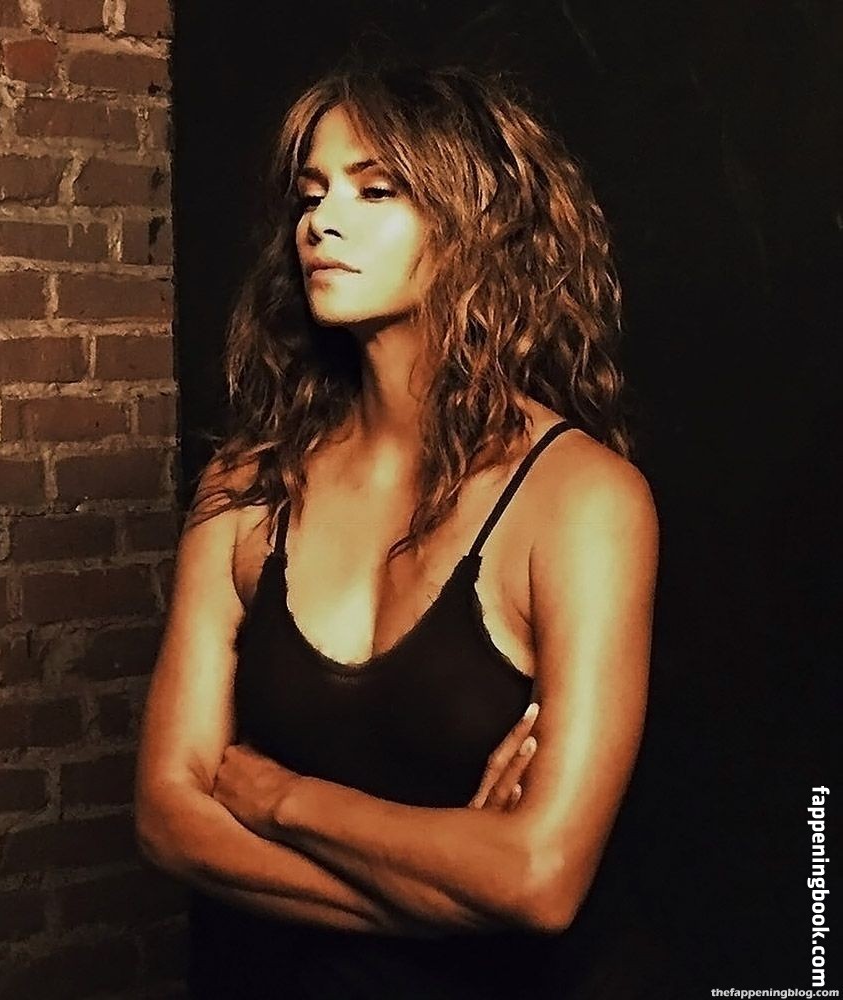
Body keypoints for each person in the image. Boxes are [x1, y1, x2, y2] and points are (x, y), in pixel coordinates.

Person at [134, 62, 659, 999]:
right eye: (311, 194)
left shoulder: (580, 499)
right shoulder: (247, 488)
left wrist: (281, 799)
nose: (319, 222)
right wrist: (452, 890)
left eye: (374, 191)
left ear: (478, 221)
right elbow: (169, 819)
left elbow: (539, 878)